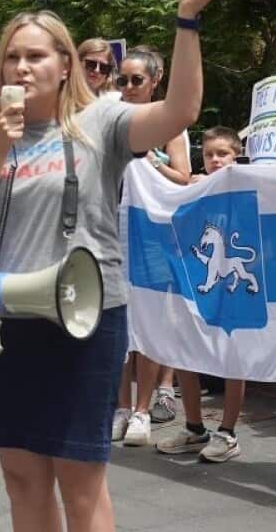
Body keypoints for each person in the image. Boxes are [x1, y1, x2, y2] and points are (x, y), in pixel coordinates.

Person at [0, 0, 218, 531]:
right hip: (10, 319)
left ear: (65, 64)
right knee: (21, 476)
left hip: (85, 321)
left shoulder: (103, 122)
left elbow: (181, 112)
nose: (22, 67)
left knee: (80, 480)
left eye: (35, 56)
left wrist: (187, 21)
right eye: (12, 57)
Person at [113, 44, 192, 445]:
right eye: (122, 80)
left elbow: (184, 176)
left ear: (154, 81)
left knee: (147, 321)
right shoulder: (111, 121)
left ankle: (142, 411)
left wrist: (151, 161)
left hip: (153, 235)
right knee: (115, 323)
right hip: (113, 232)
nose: (128, 87)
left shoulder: (168, 123)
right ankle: (120, 407)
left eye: (136, 80)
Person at [156, 126, 248, 463]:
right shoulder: (195, 187)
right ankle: (195, 428)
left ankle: (228, 432)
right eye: (209, 154)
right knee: (185, 354)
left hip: (232, 290)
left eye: (222, 153)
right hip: (196, 286)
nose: (215, 160)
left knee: (233, 359)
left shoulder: (247, 187)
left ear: (237, 156)